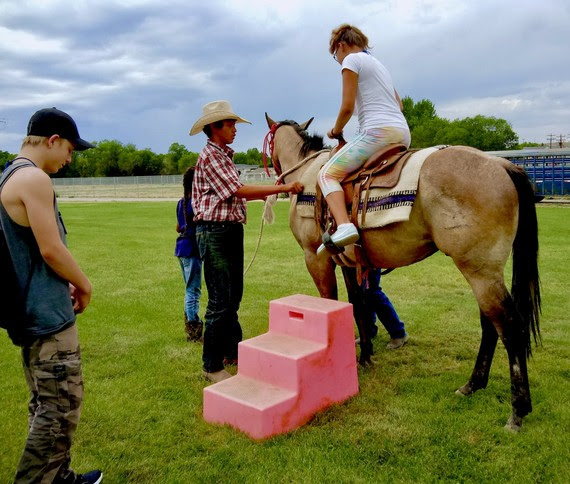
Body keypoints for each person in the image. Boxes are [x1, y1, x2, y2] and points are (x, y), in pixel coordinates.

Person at [0, 108, 102, 483]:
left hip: (28, 314)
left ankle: (59, 477)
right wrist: (85, 285)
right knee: (59, 409)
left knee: (45, 404)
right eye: (70, 150)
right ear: (53, 140)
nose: (69, 159)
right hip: (45, 318)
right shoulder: (34, 179)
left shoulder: (8, 176)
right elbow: (51, 250)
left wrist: (66, 282)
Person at [189, 100, 303, 383]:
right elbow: (237, 190)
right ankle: (211, 366)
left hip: (227, 232)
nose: (234, 129)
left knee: (232, 297)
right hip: (215, 233)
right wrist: (282, 187)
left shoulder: (222, 156)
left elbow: (235, 193)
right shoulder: (212, 156)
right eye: (229, 124)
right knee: (219, 301)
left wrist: (269, 194)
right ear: (214, 128)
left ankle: (232, 352)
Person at [317, 24, 411, 255]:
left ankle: (345, 226)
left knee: (326, 175)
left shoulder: (352, 60)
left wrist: (335, 130)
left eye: (335, 56)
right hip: (402, 133)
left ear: (340, 46)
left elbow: (347, 106)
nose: (338, 61)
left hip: (377, 132)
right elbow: (399, 105)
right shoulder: (380, 66)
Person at [175, 166, 203, 342]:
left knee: (189, 289)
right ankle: (193, 326)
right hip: (192, 249)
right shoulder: (196, 202)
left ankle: (191, 323)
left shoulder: (181, 202)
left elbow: (178, 226)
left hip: (181, 248)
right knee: (193, 290)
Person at [363, 269, 409, 349]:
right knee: (365, 293)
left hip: (370, 261)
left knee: (372, 291)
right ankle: (368, 332)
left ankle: (398, 334)